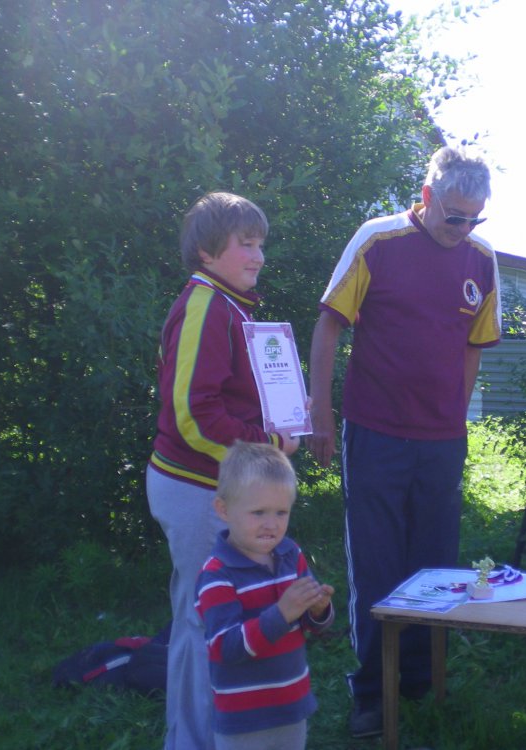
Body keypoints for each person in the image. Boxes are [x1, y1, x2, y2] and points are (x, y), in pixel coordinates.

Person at [307, 146, 501, 737]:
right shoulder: (377, 240)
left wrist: (456, 418)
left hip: (442, 440)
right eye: (454, 215)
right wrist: (320, 412)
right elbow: (329, 324)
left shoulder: (482, 259)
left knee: (435, 563)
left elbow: (474, 345)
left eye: (474, 218)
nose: (462, 228)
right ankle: (371, 692)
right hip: (374, 431)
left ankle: (419, 681)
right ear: (426, 196)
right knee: (377, 562)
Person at [146, 192, 301, 750]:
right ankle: (190, 741)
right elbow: (192, 415)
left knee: (216, 614)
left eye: (261, 244)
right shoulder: (206, 304)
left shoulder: (231, 305)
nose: (259, 255)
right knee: (201, 619)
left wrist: (285, 419)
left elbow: (232, 400)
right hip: (194, 486)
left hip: (218, 485)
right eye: (246, 244)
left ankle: (222, 734)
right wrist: (270, 444)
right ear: (208, 252)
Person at [195, 441, 335, 750]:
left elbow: (311, 625)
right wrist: (282, 614)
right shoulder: (216, 575)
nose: (271, 524)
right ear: (223, 510)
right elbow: (226, 648)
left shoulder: (291, 554)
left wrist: (318, 610)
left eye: (281, 512)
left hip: (292, 706)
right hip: (243, 719)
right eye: (258, 512)